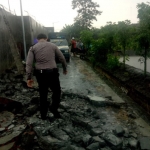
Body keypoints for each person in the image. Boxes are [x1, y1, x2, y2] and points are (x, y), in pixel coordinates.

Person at [26, 33, 67, 120]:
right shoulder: (53, 46)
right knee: (56, 91)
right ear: (46, 38)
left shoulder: (33, 48)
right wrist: (64, 68)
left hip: (40, 74)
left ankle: (43, 115)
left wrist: (29, 77)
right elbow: (62, 58)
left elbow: (29, 64)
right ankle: (54, 108)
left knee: (43, 93)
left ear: (37, 39)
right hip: (53, 73)